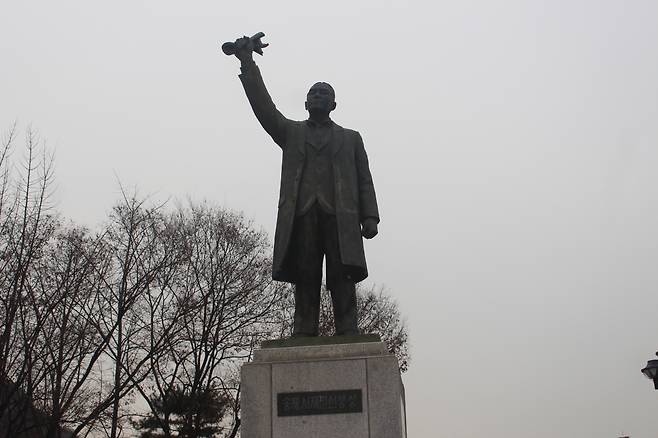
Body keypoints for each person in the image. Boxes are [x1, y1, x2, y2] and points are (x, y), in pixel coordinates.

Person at [231, 36, 379, 337]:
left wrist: (370, 216)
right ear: (305, 101)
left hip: (341, 215)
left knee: (343, 275)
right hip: (303, 213)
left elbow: (364, 178)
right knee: (306, 275)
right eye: (313, 92)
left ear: (333, 104)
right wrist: (247, 63)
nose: (317, 96)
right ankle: (304, 331)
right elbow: (264, 109)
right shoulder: (291, 133)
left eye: (324, 93)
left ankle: (348, 330)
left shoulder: (351, 138)